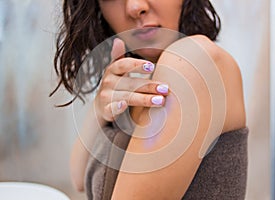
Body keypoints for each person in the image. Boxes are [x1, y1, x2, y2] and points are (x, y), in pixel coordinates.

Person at [51, 0, 248, 199]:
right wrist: (100, 108)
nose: (134, 7)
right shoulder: (140, 80)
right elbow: (79, 178)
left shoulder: (193, 60)